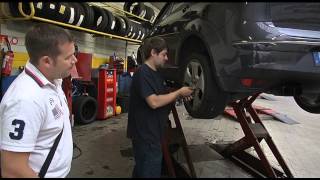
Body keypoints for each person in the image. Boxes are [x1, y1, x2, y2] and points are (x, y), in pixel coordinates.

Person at [0, 23, 77, 178]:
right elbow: (13, 170)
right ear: (46, 61)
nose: (75, 60)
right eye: (68, 57)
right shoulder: (25, 100)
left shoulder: (54, 79)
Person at [127, 36, 194, 178]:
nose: (166, 58)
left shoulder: (157, 75)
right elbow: (154, 102)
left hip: (153, 133)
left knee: (142, 170)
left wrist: (180, 94)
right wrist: (178, 93)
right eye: (163, 54)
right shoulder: (142, 73)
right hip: (145, 136)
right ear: (153, 53)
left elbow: (164, 96)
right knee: (149, 170)